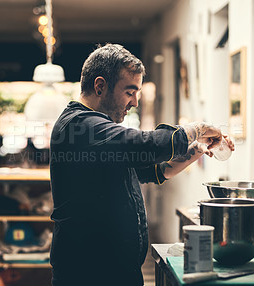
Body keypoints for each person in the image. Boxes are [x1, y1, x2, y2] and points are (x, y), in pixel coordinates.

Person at [49, 43, 234, 286]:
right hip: (88, 273)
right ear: (100, 86)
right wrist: (197, 129)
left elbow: (152, 170)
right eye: (129, 91)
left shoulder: (98, 131)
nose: (135, 102)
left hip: (114, 271)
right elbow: (144, 144)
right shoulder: (80, 126)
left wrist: (192, 152)